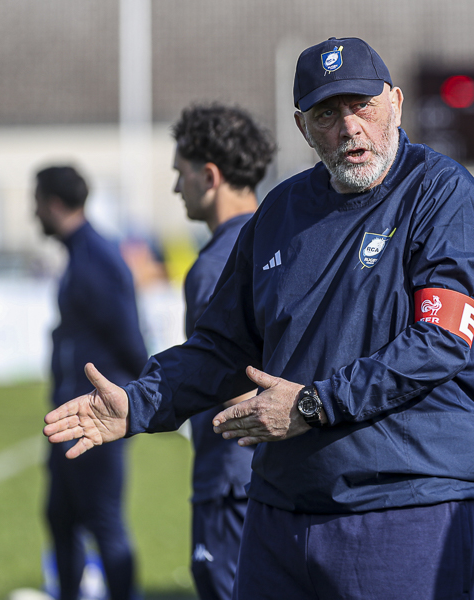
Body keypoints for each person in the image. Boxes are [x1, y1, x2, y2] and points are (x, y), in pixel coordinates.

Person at [43, 37, 474, 600]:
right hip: (277, 518)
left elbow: (436, 343)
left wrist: (314, 405)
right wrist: (139, 401)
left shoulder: (442, 197)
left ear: (396, 102)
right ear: (301, 125)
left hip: (405, 512)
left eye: (361, 105)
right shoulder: (279, 212)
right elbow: (222, 348)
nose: (348, 127)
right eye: (326, 113)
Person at [170, 102, 275, 600]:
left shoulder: (216, 265)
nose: (176, 188)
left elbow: (228, 378)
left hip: (231, 479)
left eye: (181, 174)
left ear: (209, 176)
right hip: (266, 479)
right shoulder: (280, 243)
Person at [34, 165, 148, 600]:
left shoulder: (96, 259)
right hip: (68, 414)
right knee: (60, 517)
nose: (33, 213)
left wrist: (144, 401)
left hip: (94, 419)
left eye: (36, 202)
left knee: (103, 521)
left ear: (52, 203)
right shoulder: (80, 254)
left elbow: (130, 340)